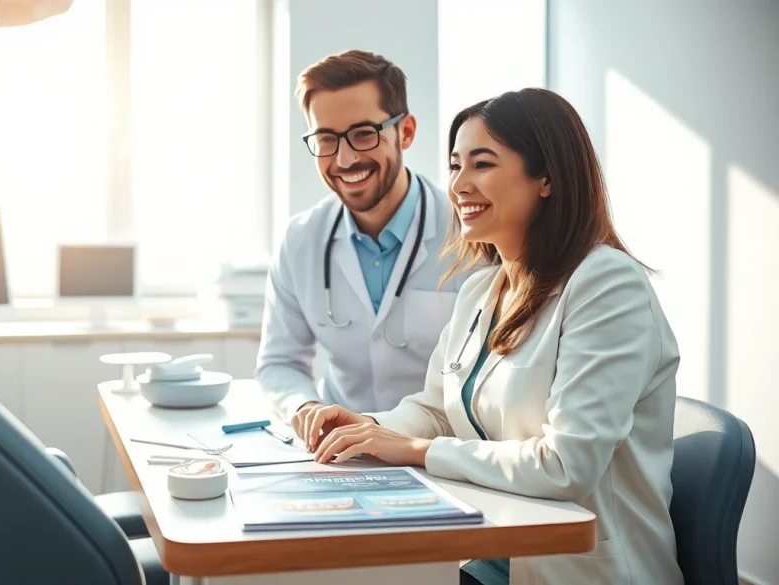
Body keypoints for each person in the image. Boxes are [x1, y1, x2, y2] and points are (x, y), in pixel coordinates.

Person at [298, 88, 684, 585]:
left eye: (482, 164)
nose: (458, 184)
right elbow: (437, 409)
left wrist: (415, 450)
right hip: (490, 553)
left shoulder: (606, 285)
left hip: (581, 572)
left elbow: (567, 465)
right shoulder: (482, 288)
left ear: (546, 177)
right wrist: (368, 427)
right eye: (455, 165)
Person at [255, 49, 471, 430]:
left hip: (440, 449)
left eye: (363, 134)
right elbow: (280, 362)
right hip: (340, 453)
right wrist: (303, 408)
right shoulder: (301, 241)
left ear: (405, 132)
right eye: (326, 139)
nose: (344, 159)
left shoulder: (471, 234)